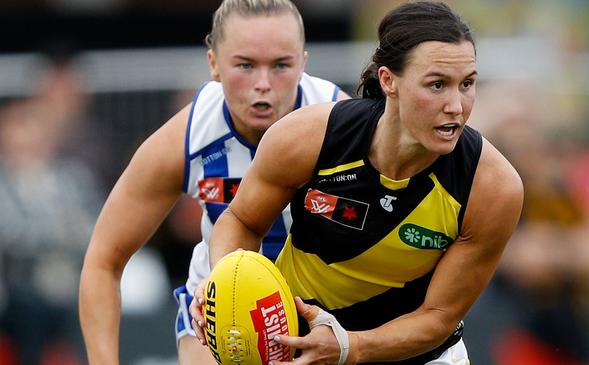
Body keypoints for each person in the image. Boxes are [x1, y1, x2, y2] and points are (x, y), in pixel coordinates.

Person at [190, 1, 523, 364]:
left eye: (467, 84)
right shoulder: (308, 136)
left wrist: (350, 346)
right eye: (437, 85)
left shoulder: (492, 187)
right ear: (388, 81)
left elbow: (438, 317)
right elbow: (241, 221)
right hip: (300, 344)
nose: (456, 106)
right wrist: (222, 282)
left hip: (418, 356)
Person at [78, 0, 349, 363]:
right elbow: (103, 261)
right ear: (214, 65)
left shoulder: (343, 127)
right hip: (219, 313)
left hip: (326, 312)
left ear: (303, 63)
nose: (263, 85)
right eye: (245, 65)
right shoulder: (185, 138)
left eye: (281, 65)